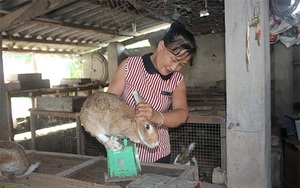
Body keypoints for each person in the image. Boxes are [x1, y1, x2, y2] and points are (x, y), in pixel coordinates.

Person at [107, 22, 197, 163]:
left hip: (158, 152)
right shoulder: (129, 66)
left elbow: (182, 114)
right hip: (125, 151)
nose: (175, 67)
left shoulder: (177, 80)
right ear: (161, 46)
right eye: (174, 59)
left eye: (181, 64)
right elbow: (107, 103)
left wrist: (157, 116)